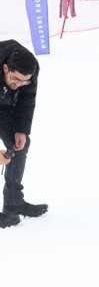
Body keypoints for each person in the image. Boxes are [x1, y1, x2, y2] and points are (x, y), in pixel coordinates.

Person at [0, 41, 48, 228]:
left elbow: (27, 98)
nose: (19, 84)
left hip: (5, 106)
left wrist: (21, 129)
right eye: (15, 79)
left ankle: (13, 203)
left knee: (19, 144)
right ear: (5, 68)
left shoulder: (30, 68)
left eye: (24, 81)